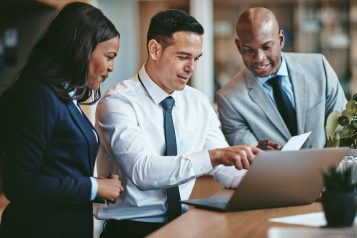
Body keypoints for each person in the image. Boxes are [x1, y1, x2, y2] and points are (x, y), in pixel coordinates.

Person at [94, 9, 260, 238]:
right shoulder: (118, 103)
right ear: (154, 49)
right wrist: (214, 155)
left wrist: (267, 178)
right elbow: (143, 171)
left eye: (196, 58)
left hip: (185, 226)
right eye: (183, 57)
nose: (192, 67)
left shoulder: (198, 102)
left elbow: (224, 168)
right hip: (130, 230)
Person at [0, 2, 124, 238]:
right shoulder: (37, 95)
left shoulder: (66, 97)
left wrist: (97, 184)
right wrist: (93, 186)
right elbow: (19, 184)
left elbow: (59, 167)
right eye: (109, 56)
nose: (111, 67)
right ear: (82, 49)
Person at [216, 7, 347, 149]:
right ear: (239, 47)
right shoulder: (229, 99)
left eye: (267, 47)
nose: (259, 58)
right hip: (273, 171)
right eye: (249, 50)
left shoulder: (319, 68)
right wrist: (259, 154)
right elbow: (248, 156)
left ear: (281, 40)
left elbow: (342, 130)